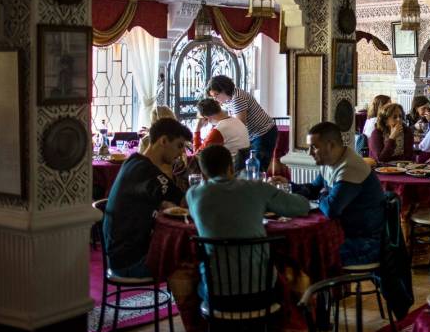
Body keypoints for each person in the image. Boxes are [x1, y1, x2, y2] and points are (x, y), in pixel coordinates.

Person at [187, 144, 309, 298]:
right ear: (231, 167)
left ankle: (211, 322)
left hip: (217, 293)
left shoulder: (193, 195)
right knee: (290, 276)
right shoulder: (257, 188)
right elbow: (302, 206)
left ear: (203, 173)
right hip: (262, 288)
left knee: (192, 282)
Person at [276, 122, 385, 266]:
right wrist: (287, 185)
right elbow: (312, 189)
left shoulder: (349, 167)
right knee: (298, 251)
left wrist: (321, 196)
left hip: (366, 243)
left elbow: (331, 209)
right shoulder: (331, 162)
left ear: (331, 145)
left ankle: (320, 289)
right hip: (345, 233)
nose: (309, 153)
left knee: (309, 256)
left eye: (314, 147)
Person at [103, 118, 192, 277]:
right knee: (195, 257)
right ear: (163, 141)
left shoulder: (134, 162)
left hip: (118, 256)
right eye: (179, 146)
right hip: (131, 262)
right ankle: (199, 302)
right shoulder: (147, 174)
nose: (181, 153)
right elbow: (185, 201)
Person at [206, 75, 277, 171]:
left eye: (216, 95)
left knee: (256, 168)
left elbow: (239, 125)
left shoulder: (237, 98)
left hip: (263, 133)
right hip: (255, 134)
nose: (215, 99)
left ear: (224, 89)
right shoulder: (231, 97)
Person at [194, 98, 250, 170]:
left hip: (228, 171)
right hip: (241, 169)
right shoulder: (236, 121)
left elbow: (197, 156)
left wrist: (197, 129)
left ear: (206, 118)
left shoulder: (219, 130)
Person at [409, 96, 430, 162]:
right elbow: (405, 131)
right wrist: (414, 127)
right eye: (423, 108)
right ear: (416, 109)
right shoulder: (408, 118)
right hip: (412, 146)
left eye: (428, 108)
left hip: (426, 147)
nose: (426, 111)